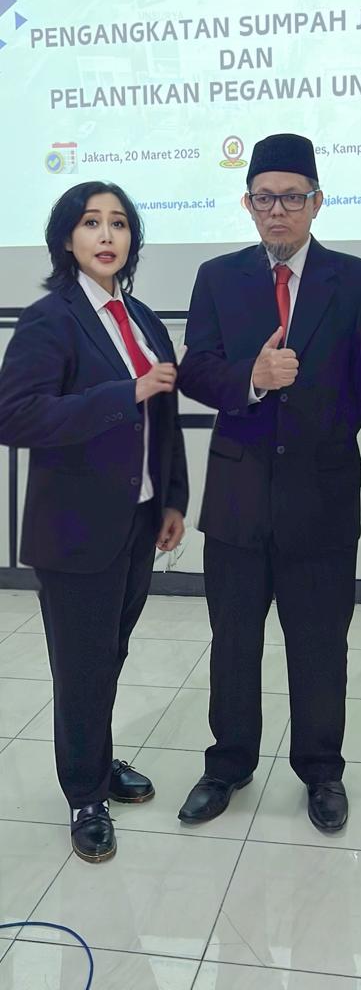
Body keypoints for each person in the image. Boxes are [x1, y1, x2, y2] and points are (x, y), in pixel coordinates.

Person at [177, 133, 361, 831]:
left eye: (292, 198)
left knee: (320, 645)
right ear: (247, 204)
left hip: (321, 498)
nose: (277, 211)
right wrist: (252, 378)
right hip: (238, 498)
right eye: (264, 198)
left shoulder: (358, 282)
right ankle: (228, 763)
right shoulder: (217, 277)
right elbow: (196, 370)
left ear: (316, 202)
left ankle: (321, 772)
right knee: (234, 641)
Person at [0, 182, 188, 863]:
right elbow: (15, 416)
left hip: (137, 520)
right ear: (66, 238)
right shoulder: (50, 319)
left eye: (119, 223)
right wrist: (122, 392)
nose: (107, 235)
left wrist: (173, 498)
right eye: (90, 222)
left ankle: (99, 763)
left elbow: (163, 415)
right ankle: (84, 793)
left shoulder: (141, 319)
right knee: (81, 667)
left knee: (109, 655)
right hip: (75, 529)